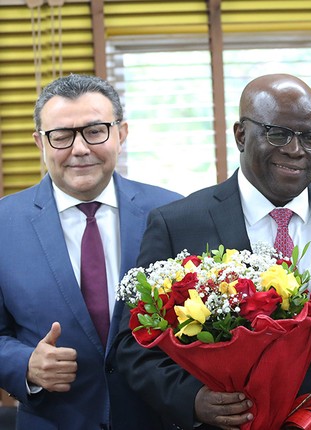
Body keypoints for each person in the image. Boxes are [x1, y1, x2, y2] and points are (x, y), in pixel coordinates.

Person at [114, 73, 311, 430]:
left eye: (310, 137)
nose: (295, 150)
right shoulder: (178, 224)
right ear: (241, 135)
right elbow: (133, 345)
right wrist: (193, 400)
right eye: (278, 134)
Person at [0, 74, 182, 430]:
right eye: (62, 136)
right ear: (40, 142)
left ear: (121, 133)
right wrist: (24, 364)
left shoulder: (172, 212)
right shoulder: (5, 224)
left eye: (95, 130)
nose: (80, 149)